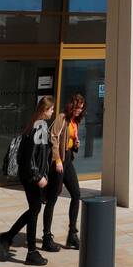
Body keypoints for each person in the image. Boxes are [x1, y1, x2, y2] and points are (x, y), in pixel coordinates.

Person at [0, 97, 60, 266]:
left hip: (33, 175)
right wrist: (38, 176)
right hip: (32, 177)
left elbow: (40, 155)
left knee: (35, 209)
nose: (53, 112)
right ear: (45, 110)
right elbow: (29, 156)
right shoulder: (39, 126)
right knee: (34, 210)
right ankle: (31, 252)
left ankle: (8, 237)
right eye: (51, 109)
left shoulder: (37, 124)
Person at [42, 93, 85, 251]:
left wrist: (75, 143)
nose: (79, 110)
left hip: (67, 160)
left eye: (81, 108)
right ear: (72, 105)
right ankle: (47, 237)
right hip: (58, 162)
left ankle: (72, 234)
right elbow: (53, 137)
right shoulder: (62, 117)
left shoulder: (74, 121)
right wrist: (57, 159)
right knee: (52, 199)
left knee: (76, 194)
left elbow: (69, 139)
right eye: (78, 107)